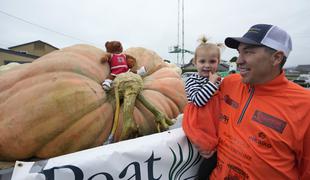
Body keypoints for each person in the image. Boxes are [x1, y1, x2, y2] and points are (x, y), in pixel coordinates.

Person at [183, 24, 310, 179]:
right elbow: (199, 108)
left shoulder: (305, 106)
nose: (239, 61)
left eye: (248, 52)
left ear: (276, 57)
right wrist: (197, 134)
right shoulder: (227, 84)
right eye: (239, 52)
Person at [182, 36, 223, 179]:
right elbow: (199, 101)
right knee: (210, 155)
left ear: (218, 62)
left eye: (212, 61)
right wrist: (211, 84)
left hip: (214, 120)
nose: (207, 65)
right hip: (199, 122)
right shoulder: (192, 79)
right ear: (195, 62)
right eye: (202, 61)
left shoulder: (219, 80)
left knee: (219, 154)